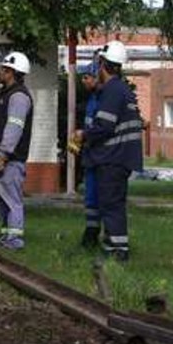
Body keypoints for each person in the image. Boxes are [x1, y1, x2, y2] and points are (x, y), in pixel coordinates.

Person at [73, 40, 142, 261]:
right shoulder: (122, 89)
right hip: (120, 157)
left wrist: (83, 134)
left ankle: (118, 252)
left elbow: (104, 126)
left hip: (113, 159)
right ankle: (113, 247)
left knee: (111, 206)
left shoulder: (112, 91)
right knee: (113, 204)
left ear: (103, 64)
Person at [0, 51, 34, 250]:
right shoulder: (6, 94)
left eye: (3, 68)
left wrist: (3, 154)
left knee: (11, 199)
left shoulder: (19, 97)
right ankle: (6, 237)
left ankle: (14, 240)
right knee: (1, 198)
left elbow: (14, 127)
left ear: (11, 72)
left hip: (10, 159)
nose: (0, 71)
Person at [69, 59, 102, 249]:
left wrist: (85, 135)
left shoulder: (103, 99)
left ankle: (97, 235)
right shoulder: (92, 100)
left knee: (100, 198)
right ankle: (90, 234)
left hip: (100, 158)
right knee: (90, 198)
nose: (84, 81)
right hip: (90, 156)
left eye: (87, 77)